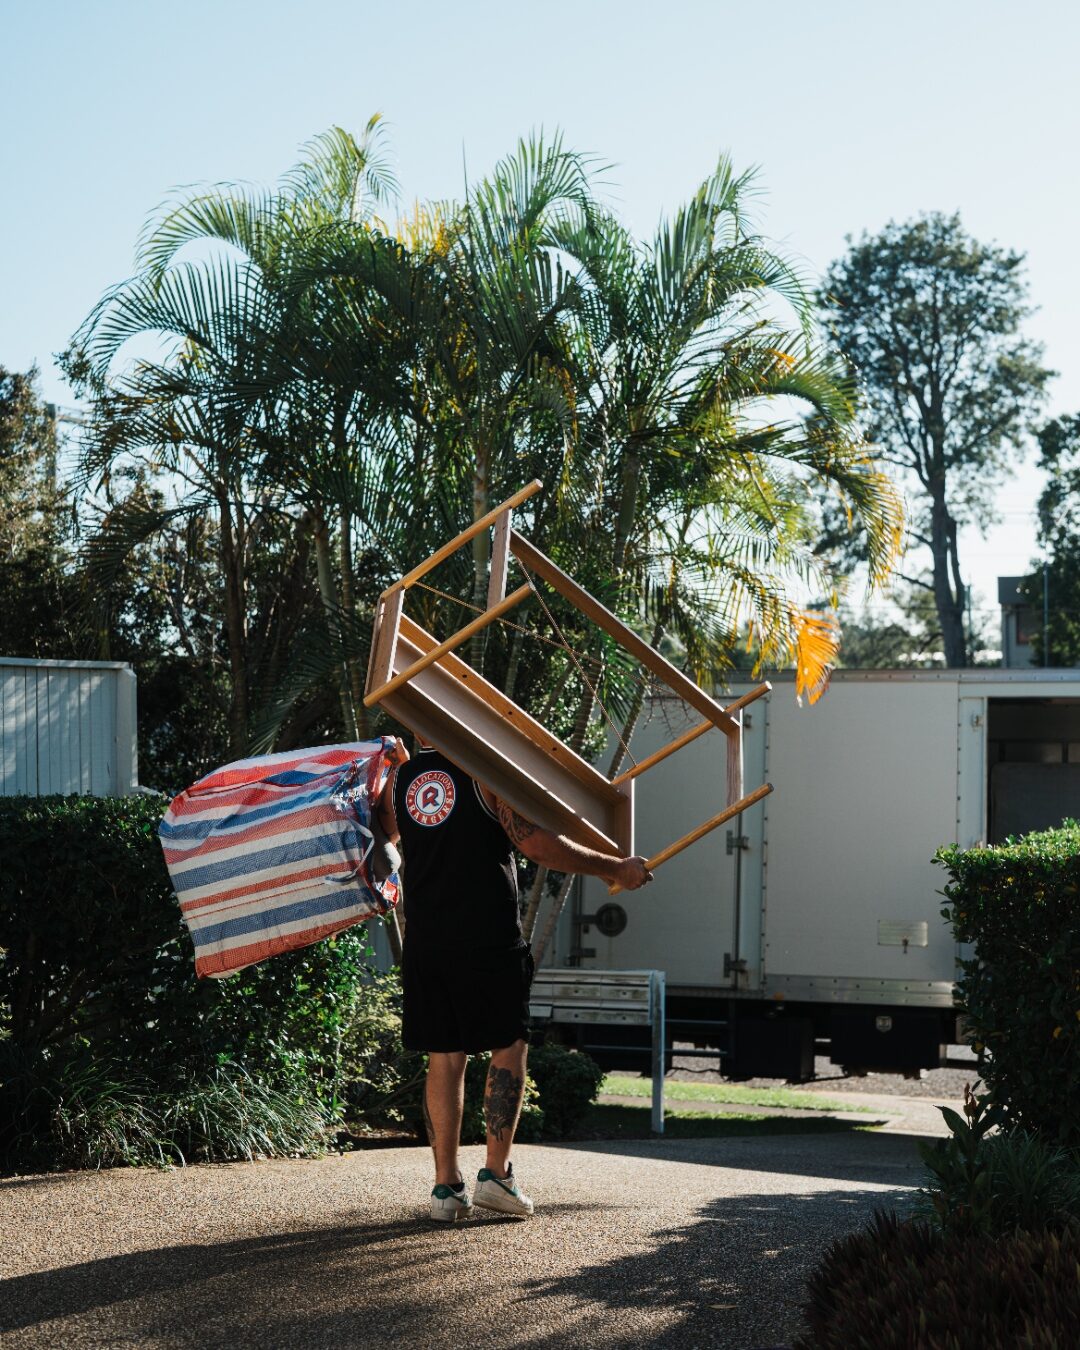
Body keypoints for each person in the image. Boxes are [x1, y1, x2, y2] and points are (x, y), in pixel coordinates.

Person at [377, 740, 653, 1222]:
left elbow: (385, 837)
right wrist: (615, 867)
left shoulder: (401, 780)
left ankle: (446, 1189)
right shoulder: (482, 768)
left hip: (427, 942)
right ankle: (496, 1176)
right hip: (487, 938)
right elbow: (533, 842)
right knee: (508, 1044)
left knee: (444, 1056)